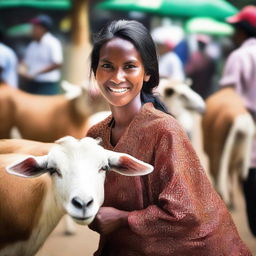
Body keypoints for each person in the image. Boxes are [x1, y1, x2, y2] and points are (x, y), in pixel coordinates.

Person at [86, 20, 251, 255]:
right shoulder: (95, 136)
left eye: (130, 66)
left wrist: (123, 218)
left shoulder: (165, 131)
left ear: (147, 74)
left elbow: (186, 214)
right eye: (107, 66)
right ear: (96, 71)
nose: (117, 77)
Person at [219, 5, 256, 237]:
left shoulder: (240, 56)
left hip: (250, 147)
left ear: (243, 31)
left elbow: (228, 97)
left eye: (236, 29)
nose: (233, 34)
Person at [19, 14, 63, 95]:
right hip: (33, 83)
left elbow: (57, 63)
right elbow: (25, 62)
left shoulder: (53, 43)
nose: (32, 30)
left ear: (44, 29)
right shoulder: (32, 45)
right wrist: (22, 70)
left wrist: (36, 73)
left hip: (47, 84)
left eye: (35, 27)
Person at [185, 34, 217, 99]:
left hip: (204, 88)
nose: (200, 45)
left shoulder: (208, 58)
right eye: (199, 43)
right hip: (196, 88)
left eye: (201, 43)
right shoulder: (195, 56)